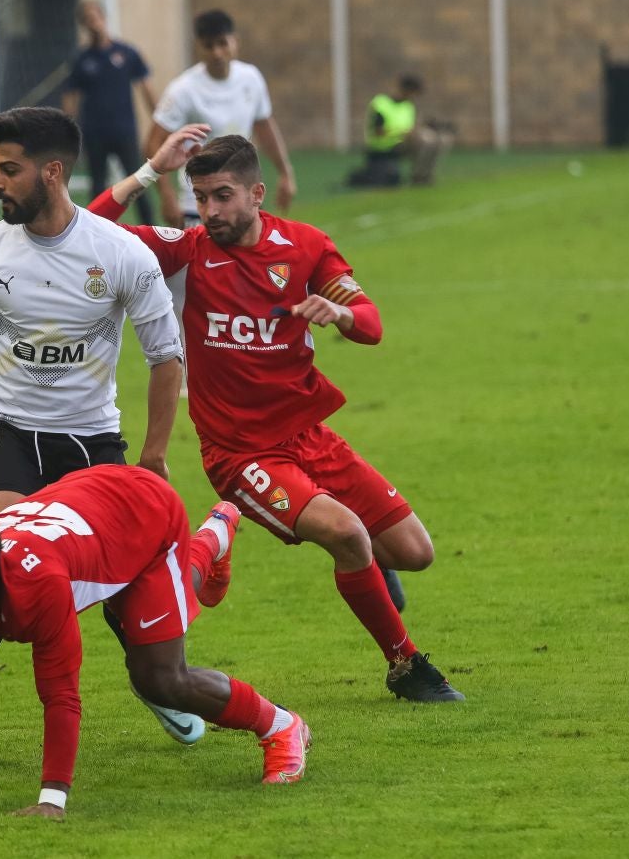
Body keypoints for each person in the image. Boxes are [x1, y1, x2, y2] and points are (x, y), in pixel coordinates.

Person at [87, 134, 465, 703]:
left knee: (415, 554)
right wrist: (148, 172)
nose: (210, 212)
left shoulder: (307, 247)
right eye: (201, 198)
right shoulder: (187, 251)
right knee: (345, 532)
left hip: (309, 437)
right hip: (240, 454)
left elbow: (371, 322)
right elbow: (87, 230)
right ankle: (405, 665)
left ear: (258, 193)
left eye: (223, 196)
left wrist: (339, 312)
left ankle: (361, 564)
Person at [0, 108, 222, 763]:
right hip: (10, 432)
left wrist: (151, 457)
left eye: (9, 169)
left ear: (51, 172)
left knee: (119, 583)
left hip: (91, 441)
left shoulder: (119, 254)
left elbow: (166, 356)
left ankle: (157, 684)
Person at [0, 465, 311, 819]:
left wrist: (53, 798)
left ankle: (282, 727)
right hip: (90, 505)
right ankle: (211, 541)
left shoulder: (37, 588)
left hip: (144, 515)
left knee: (159, 677)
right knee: (142, 615)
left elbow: (61, 694)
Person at [146, 10, 296, 228]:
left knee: (250, 261)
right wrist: (167, 196)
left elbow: (264, 126)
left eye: (222, 43)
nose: (217, 53)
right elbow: (153, 142)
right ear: (198, 46)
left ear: (235, 41)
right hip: (200, 204)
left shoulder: (251, 78)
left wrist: (285, 173)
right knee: (201, 263)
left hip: (243, 198)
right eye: (208, 46)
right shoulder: (183, 89)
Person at [61, 0, 157, 225]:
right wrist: (66, 130)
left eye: (95, 17)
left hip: (124, 131)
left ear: (104, 18)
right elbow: (70, 96)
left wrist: (160, 121)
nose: (93, 23)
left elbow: (146, 87)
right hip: (95, 133)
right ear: (83, 25)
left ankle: (150, 228)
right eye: (87, 20)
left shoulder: (127, 52)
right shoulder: (81, 60)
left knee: (139, 181)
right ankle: (96, 230)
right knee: (97, 185)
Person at [353, 74, 453, 187]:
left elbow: (409, 128)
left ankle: (425, 176)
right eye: (413, 93)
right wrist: (402, 133)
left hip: (402, 143)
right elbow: (378, 132)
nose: (414, 96)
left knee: (441, 139)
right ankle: (417, 177)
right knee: (426, 140)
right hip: (383, 146)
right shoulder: (381, 103)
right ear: (406, 89)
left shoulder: (408, 106)